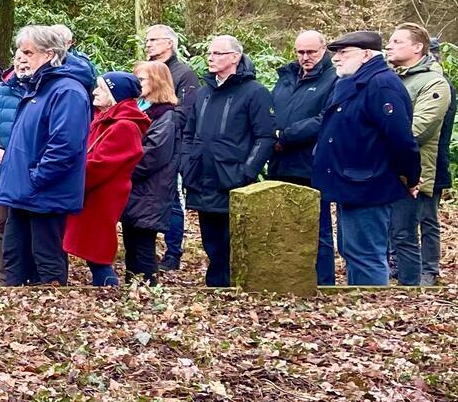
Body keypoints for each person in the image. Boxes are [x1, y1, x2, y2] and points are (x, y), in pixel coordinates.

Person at [315, 31, 419, 286]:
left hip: (369, 184)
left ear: (366, 54)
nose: (336, 59)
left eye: (343, 53)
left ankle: (369, 310)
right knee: (352, 252)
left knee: (366, 255)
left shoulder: (381, 85)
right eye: (335, 53)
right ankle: (357, 306)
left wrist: (410, 176)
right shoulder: (353, 83)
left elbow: (401, 139)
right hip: (349, 183)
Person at [0, 28, 93, 285]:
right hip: (22, 193)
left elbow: (65, 146)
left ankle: (51, 320)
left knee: (46, 264)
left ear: (49, 55)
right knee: (14, 261)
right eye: (19, 51)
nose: (20, 58)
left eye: (28, 52)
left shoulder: (67, 91)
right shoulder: (35, 88)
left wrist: (36, 178)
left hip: (45, 194)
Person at [179, 35, 274, 288]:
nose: (210, 57)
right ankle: (216, 287)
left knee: (230, 240)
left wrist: (246, 172)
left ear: (235, 57)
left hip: (232, 179)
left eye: (218, 53)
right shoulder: (203, 93)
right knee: (211, 240)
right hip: (202, 177)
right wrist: (187, 164)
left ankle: (229, 287)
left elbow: (264, 137)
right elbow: (189, 133)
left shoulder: (255, 92)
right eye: (209, 53)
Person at [383, 23, 453, 286]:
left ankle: (414, 287)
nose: (389, 46)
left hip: (413, 171)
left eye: (397, 41)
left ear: (417, 47)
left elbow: (420, 128)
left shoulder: (434, 82)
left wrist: (375, 141)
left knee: (407, 232)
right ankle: (397, 279)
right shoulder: (391, 78)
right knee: (392, 231)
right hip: (386, 169)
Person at [65, 72, 150, 286]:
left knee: (96, 248)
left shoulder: (124, 126)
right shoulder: (105, 119)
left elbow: (103, 164)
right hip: (91, 190)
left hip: (102, 194)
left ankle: (108, 288)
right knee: (90, 245)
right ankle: (105, 287)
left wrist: (69, 180)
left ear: (115, 94)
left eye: (101, 88)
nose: (95, 91)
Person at [269, 30, 336, 285]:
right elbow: (271, 110)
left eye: (311, 52)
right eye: (300, 52)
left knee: (317, 229)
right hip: (280, 163)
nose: (305, 57)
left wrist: (286, 136)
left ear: (324, 50)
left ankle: (323, 281)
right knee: (284, 226)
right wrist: (272, 133)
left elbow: (324, 119)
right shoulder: (286, 77)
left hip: (312, 163)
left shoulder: (333, 79)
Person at [120, 62, 184, 284]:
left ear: (156, 82)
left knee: (144, 244)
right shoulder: (139, 108)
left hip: (150, 190)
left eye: (142, 80)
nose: (137, 85)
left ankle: (148, 291)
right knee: (130, 243)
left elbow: (153, 155)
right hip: (134, 188)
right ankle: (132, 288)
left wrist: (122, 169)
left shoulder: (166, 115)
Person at [142, 24, 197, 270]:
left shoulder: (184, 74)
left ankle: (173, 252)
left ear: (170, 43)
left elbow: (184, 113)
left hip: (171, 144)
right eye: (147, 40)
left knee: (173, 200)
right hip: (145, 142)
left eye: (154, 39)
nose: (149, 44)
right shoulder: (145, 69)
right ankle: (145, 250)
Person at [0, 47, 33, 262]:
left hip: (28, 169)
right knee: (0, 222)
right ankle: (5, 277)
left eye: (27, 59)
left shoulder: (42, 90)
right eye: (18, 59)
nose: (22, 63)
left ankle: (27, 273)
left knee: (25, 224)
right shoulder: (1, 89)